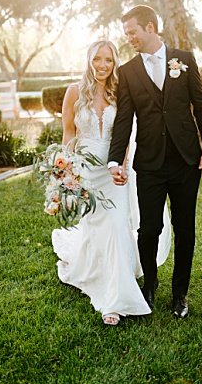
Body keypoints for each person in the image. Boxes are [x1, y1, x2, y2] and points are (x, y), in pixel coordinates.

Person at [107, 5, 202, 319]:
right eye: (127, 33)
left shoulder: (184, 59)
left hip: (186, 161)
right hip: (150, 162)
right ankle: (151, 286)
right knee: (148, 228)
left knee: (186, 228)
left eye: (132, 32)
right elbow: (124, 120)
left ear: (151, 27)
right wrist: (115, 160)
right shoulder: (127, 72)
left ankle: (180, 294)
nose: (129, 38)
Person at [52, 40, 168, 326]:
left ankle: (114, 301)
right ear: (89, 60)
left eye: (108, 60)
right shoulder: (74, 92)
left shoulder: (120, 93)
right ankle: (96, 274)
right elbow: (69, 133)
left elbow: (127, 134)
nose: (102, 65)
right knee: (95, 229)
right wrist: (66, 170)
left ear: (115, 63)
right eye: (97, 59)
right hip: (86, 172)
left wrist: (124, 166)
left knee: (117, 227)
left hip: (114, 170)